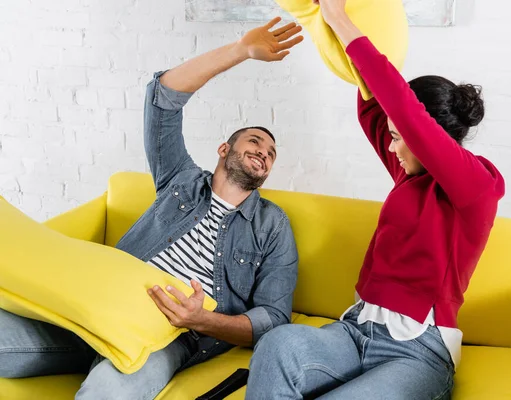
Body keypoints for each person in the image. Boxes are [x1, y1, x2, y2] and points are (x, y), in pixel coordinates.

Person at [0, 17, 303, 400]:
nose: (264, 151)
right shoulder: (181, 179)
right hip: (97, 305)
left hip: (169, 335)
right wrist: (240, 50)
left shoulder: (272, 224)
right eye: (255, 141)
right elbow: (163, 97)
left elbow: (273, 317)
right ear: (224, 150)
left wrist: (202, 320)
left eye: (271, 153)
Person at [246, 1, 505, 399]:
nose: (392, 146)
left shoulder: (478, 188)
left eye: (399, 137)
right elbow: (372, 98)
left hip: (417, 353)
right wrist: (325, 19)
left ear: (428, 137)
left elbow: (403, 108)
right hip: (354, 331)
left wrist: (340, 18)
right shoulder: (408, 174)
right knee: (277, 347)